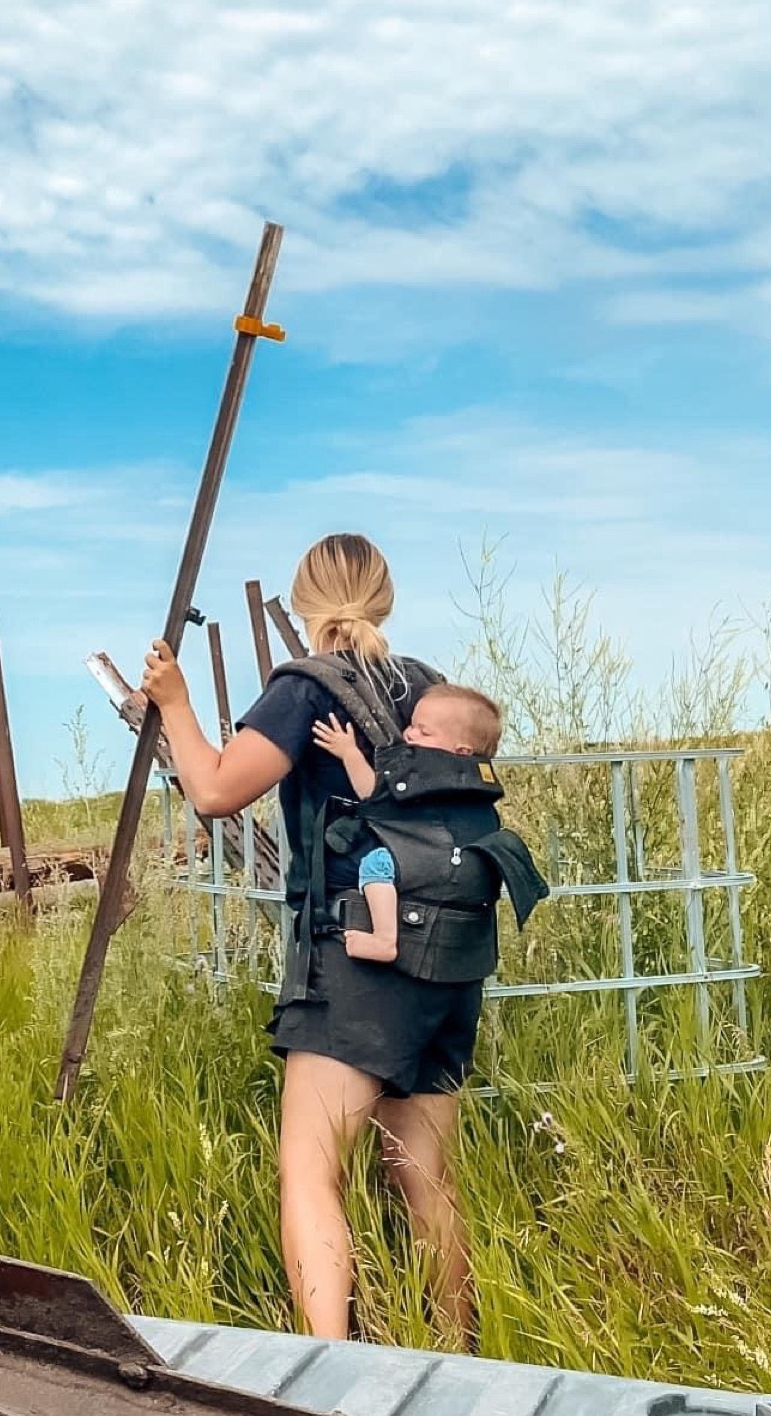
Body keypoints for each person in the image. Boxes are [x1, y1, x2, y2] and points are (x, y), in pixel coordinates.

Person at [140, 533, 545, 1349]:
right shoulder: (430, 688)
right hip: (449, 961)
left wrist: (174, 702)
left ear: (302, 602)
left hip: (356, 964)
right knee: (425, 1178)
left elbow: (214, 790)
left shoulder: (305, 690)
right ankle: (460, 1358)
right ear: (383, 598)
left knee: (310, 1172)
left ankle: (327, 1377)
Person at [313, 682, 503, 964]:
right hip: (460, 871)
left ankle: (383, 939)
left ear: (461, 751)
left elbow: (371, 794)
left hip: (422, 863)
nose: (410, 734)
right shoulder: (477, 781)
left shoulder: (424, 772)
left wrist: (349, 753)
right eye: (412, 725)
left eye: (424, 732)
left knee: (376, 863)